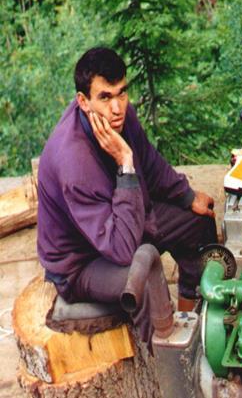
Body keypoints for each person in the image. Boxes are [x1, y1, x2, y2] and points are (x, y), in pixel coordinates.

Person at [37, 47, 217, 341]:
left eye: (122, 93)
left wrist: (186, 195)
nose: (117, 107)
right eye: (105, 97)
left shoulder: (119, 115)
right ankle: (163, 367)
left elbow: (149, 162)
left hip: (126, 221)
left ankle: (193, 318)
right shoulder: (73, 161)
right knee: (145, 280)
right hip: (83, 262)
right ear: (83, 101)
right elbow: (121, 250)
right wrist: (124, 162)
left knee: (198, 222)